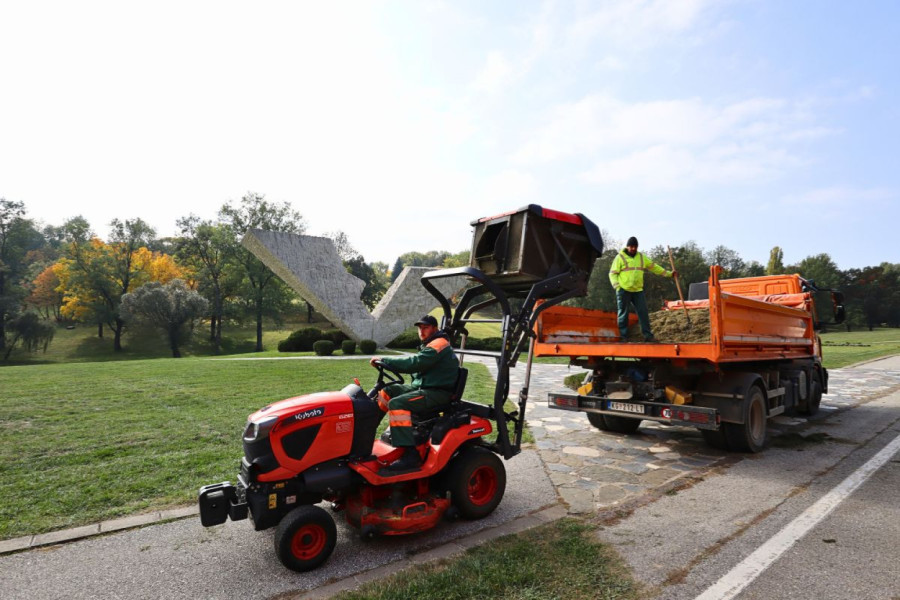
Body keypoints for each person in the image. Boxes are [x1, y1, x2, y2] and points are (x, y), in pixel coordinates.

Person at [370, 315, 459, 473]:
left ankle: (410, 455)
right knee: (387, 391)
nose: (421, 331)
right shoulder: (429, 344)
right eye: (420, 328)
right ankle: (367, 433)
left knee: (397, 404)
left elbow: (416, 363)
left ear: (435, 328)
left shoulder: (439, 343)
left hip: (437, 392)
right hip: (422, 387)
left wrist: (385, 359)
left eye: (425, 328)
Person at [608, 237, 676, 342]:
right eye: (631, 246)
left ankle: (648, 336)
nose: (633, 248)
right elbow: (612, 274)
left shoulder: (641, 257)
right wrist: (617, 286)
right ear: (627, 246)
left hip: (637, 290)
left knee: (643, 312)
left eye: (635, 247)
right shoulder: (620, 257)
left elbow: (654, 267)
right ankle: (624, 337)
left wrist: (669, 274)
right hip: (623, 290)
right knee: (623, 313)